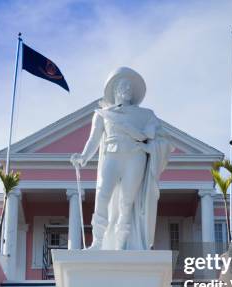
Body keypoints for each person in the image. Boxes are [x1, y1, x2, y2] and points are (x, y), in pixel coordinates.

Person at [71, 67, 173, 250]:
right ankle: (98, 242)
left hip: (135, 158)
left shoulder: (145, 115)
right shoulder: (103, 114)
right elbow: (93, 139)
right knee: (102, 195)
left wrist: (148, 147)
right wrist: (84, 157)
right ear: (115, 90)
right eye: (123, 86)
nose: (128, 89)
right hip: (112, 155)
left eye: (130, 88)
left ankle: (120, 245)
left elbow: (163, 140)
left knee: (126, 202)